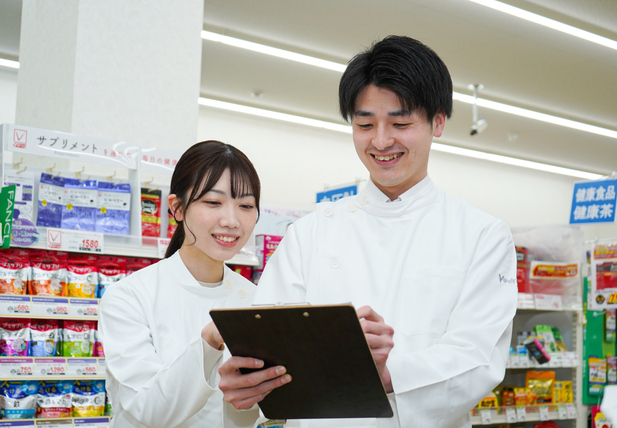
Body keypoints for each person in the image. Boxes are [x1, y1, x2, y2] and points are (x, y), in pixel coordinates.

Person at [215, 35, 518, 428]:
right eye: (365, 124)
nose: (381, 141)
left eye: (400, 123)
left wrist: (386, 375)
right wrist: (244, 377)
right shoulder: (310, 233)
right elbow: (267, 337)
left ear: (438, 121)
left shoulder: (482, 236)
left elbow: (477, 357)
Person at [98, 140, 261, 427]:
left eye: (246, 205)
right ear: (178, 208)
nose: (232, 221)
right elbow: (148, 409)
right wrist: (209, 342)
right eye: (213, 202)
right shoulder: (129, 296)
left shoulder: (256, 299)